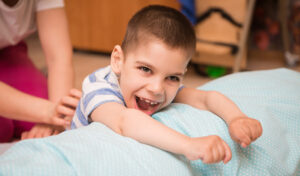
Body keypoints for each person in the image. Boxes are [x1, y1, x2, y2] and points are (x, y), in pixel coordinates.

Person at [72, 5, 263, 164]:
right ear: (117, 60)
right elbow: (125, 122)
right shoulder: (97, 87)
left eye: (172, 77)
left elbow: (205, 99)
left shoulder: (163, 88)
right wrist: (188, 145)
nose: (157, 88)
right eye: (145, 69)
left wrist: (236, 118)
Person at [0, 0, 74, 142]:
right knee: (3, 129)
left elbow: (58, 58)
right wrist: (48, 111)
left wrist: (56, 118)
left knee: (37, 125)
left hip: (9, 52)